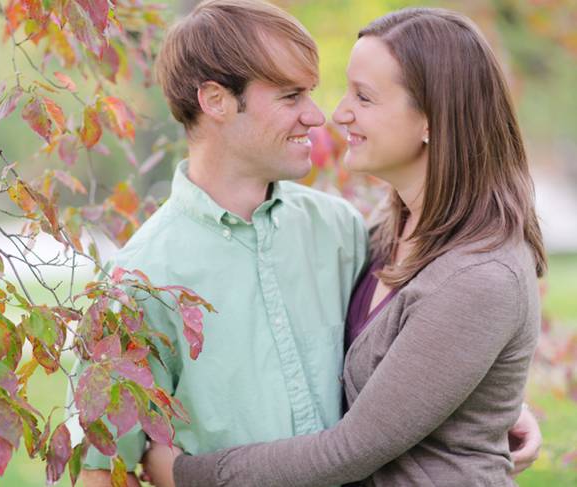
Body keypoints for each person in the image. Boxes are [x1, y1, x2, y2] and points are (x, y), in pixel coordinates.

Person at [70, 2, 542, 486]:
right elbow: (100, 465)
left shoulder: (338, 231)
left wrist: (492, 408)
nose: (322, 116)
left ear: (433, 119)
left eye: (359, 96)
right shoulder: (137, 279)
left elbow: (425, 355)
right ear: (215, 100)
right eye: (291, 96)